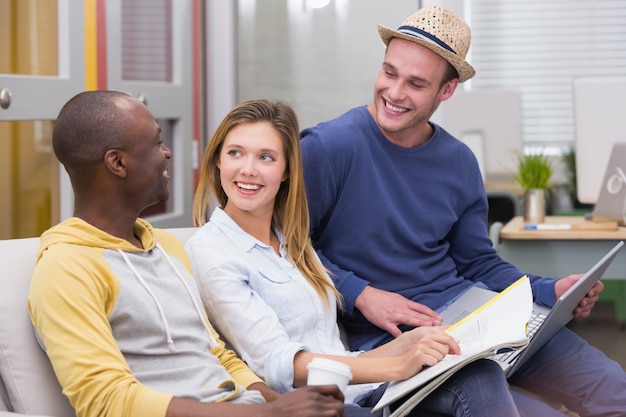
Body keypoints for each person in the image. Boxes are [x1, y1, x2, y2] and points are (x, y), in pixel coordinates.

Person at [298, 4, 626, 416]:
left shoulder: (458, 161)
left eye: (416, 83)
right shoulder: (327, 148)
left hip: (478, 315)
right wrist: (360, 293)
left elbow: (479, 263)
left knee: (614, 387)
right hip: (397, 340)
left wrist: (549, 290)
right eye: (389, 73)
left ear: (447, 90)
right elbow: (284, 247)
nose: (394, 93)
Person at [185, 98, 526, 417]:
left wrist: (410, 343)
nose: (248, 169)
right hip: (315, 406)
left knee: (478, 371)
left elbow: (338, 356)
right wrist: (398, 365)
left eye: (266, 157)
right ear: (218, 160)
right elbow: (279, 362)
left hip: (361, 394)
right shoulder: (212, 250)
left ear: (287, 170)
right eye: (235, 153)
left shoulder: (292, 243)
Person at [27, 90, 346, 417]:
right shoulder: (66, 268)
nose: (166, 153)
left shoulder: (168, 247)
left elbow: (217, 354)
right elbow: (106, 401)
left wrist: (287, 407)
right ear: (118, 163)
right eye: (155, 143)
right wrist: (271, 414)